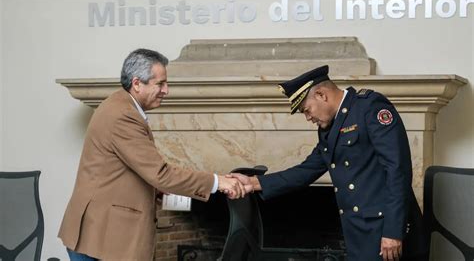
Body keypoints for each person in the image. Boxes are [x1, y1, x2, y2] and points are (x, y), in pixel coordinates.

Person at [58, 49, 247, 261]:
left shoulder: (123, 106)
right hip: (100, 234)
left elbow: (133, 172)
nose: (166, 90)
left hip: (103, 230)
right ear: (137, 83)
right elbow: (160, 173)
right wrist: (217, 182)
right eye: (160, 84)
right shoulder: (122, 116)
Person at [228, 65, 428, 261]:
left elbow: (397, 170)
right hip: (359, 232)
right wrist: (253, 183)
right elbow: (306, 171)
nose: (308, 117)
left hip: (387, 231)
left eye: (306, 110)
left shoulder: (370, 108)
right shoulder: (330, 128)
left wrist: (393, 231)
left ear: (322, 95)